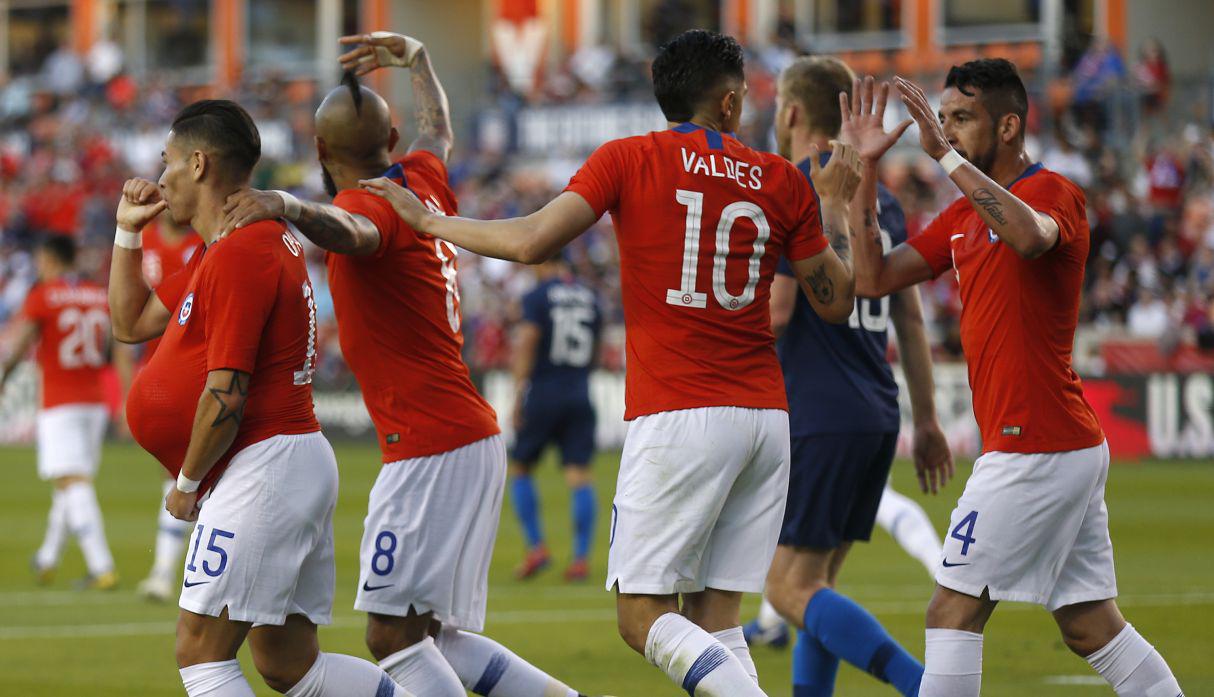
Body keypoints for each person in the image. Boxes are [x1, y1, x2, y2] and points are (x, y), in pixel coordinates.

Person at [360, 29, 863, 697]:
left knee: (640, 615)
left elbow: (533, 236)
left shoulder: (630, 158)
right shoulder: (779, 179)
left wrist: (431, 225)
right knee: (716, 620)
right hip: (765, 420)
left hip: (681, 413)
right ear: (732, 101)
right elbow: (836, 300)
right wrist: (835, 204)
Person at [218, 32, 592, 697]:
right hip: (459, 432)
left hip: (429, 445)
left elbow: (353, 235)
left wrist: (289, 205)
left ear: (320, 150)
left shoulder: (370, 206)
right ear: (391, 136)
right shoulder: (421, 179)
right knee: (428, 634)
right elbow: (439, 128)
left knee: (391, 637)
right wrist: (419, 59)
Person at [851, 59, 1184, 696]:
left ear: (1008, 125)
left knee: (952, 611)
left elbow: (1030, 238)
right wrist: (867, 169)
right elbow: (873, 279)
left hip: (1036, 443)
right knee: (1090, 626)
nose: (944, 129)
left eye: (961, 119)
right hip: (1056, 443)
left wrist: (945, 159)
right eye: (941, 118)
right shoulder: (960, 217)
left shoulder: (1054, 191)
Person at [109, 99, 408, 697]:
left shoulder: (243, 252)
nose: (159, 174)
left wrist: (188, 486)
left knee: (200, 652)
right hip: (282, 462)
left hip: (264, 466)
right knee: (289, 664)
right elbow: (131, 321)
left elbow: (228, 390)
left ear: (197, 164)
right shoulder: (222, 248)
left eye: (166, 160)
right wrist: (126, 232)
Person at [742, 59, 953, 697]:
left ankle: (924, 686)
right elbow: (910, 319)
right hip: (875, 410)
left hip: (818, 410)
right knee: (817, 584)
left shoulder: (794, 188)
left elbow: (777, 315)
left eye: (779, 103)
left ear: (793, 113)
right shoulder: (878, 198)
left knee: (787, 588)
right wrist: (927, 419)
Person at [1, 234, 119, 590]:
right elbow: (111, 344)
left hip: (59, 400)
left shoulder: (43, 296)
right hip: (95, 399)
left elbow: (22, 341)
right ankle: (47, 557)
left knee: (71, 481)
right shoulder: (98, 294)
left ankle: (102, 567)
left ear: (51, 259)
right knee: (68, 482)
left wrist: (4, 377)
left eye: (40, 260)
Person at [508, 255, 603, 582]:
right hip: (579, 391)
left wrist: (518, 394)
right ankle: (580, 559)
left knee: (520, 467)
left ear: (544, 262)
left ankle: (537, 547)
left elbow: (529, 341)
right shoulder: (591, 296)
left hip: (544, 392)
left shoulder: (537, 296)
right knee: (579, 474)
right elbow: (597, 348)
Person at [134, 213, 203, 602]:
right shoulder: (145, 243)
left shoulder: (203, 242)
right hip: (160, 372)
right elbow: (128, 319)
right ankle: (167, 571)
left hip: (197, 368)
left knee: (190, 474)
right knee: (178, 472)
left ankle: (166, 572)